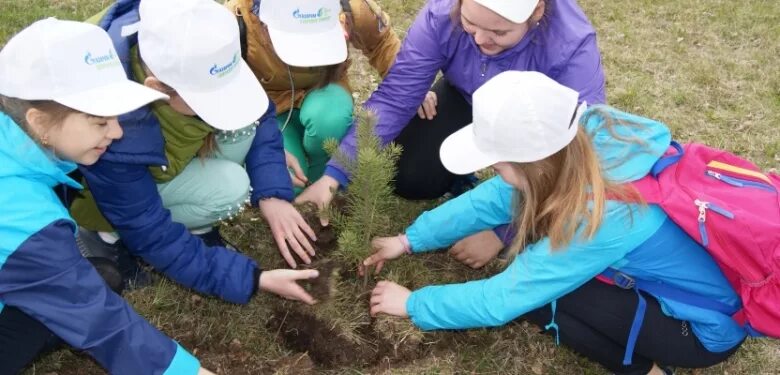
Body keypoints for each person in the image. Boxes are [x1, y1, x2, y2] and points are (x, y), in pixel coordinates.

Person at [362, 71, 745, 375]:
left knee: (542, 299)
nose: (492, 170)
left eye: (497, 163)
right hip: (715, 289)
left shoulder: (602, 217)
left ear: (532, 163)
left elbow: (502, 299)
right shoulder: (585, 137)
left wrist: (414, 303)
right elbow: (496, 197)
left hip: (704, 330)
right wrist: (409, 239)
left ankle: (643, 369)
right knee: (544, 269)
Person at [297, 0, 606, 266]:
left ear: (536, 12)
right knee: (410, 177)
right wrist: (334, 174)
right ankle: (462, 178)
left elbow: (579, 150)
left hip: (533, 125)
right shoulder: (443, 14)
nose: (482, 39)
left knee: (536, 177)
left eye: (500, 32)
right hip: (466, 96)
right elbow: (397, 95)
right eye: (470, 23)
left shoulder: (569, 44)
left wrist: (503, 231)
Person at [0, 18, 219, 374]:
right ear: (39, 122)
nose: (116, 132)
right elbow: (100, 322)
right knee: (80, 290)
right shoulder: (25, 221)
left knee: (93, 276)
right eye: (100, 121)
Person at [71, 0, 322, 276]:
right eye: (206, 101)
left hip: (168, 157)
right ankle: (105, 237)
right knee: (232, 187)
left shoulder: (203, 44)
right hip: (115, 197)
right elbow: (143, 223)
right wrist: (248, 279)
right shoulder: (113, 127)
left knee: (243, 126)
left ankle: (199, 226)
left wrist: (272, 193)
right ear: (156, 88)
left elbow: (259, 115)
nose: (222, 105)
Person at [225, 0, 401, 190]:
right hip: (270, 107)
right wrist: (262, 147)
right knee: (287, 184)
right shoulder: (234, 21)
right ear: (264, 25)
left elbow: (383, 44)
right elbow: (224, 94)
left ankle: (324, 166)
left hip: (324, 88)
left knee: (330, 121)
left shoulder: (353, 7)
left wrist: (408, 86)